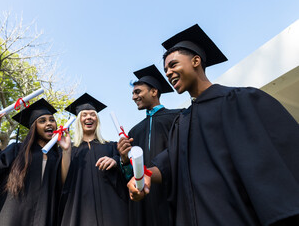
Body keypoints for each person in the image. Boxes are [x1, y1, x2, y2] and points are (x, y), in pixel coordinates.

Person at [128, 24, 299, 226]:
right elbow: (167, 164)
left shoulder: (240, 101)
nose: (168, 73)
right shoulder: (181, 123)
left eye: (173, 65)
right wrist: (145, 176)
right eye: (166, 69)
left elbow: (280, 159)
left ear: (196, 61)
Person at [0, 98, 71, 226]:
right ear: (33, 127)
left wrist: (66, 150)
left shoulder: (57, 156)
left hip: (44, 216)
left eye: (52, 120)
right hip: (12, 215)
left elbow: (64, 183)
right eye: (42, 121)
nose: (49, 123)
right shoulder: (17, 150)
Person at [117, 64, 182, 226]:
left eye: (137, 92)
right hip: (143, 199)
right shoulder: (134, 131)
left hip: (174, 193)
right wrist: (124, 159)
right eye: (132, 93)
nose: (133, 97)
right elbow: (128, 175)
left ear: (154, 92)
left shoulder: (178, 117)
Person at [59, 93, 128, 226]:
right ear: (78, 120)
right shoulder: (69, 148)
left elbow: (126, 173)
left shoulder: (112, 146)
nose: (89, 117)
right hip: (80, 211)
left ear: (97, 120)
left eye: (92, 114)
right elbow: (63, 181)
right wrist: (66, 151)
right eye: (84, 115)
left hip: (113, 211)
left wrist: (116, 161)